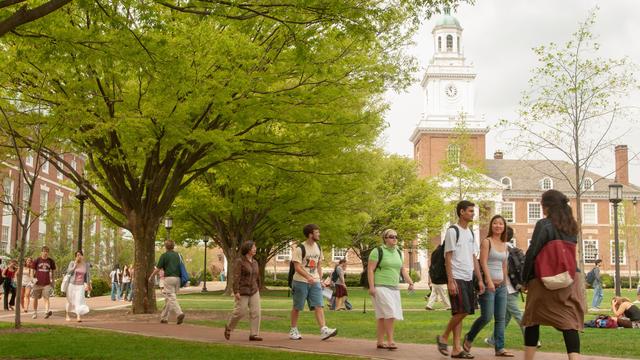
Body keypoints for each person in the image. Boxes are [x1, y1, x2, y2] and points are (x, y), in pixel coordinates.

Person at [522, 190, 584, 360]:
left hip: (543, 278)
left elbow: (533, 251)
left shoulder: (544, 224)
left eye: (542, 205)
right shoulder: (572, 226)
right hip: (569, 279)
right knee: (568, 321)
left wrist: (524, 279)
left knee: (532, 320)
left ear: (547, 206)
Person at [436, 200, 484, 359]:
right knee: (463, 310)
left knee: (461, 311)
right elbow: (447, 257)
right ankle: (443, 337)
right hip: (456, 277)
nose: (473, 213)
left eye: (473, 211)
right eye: (470, 211)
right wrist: (450, 280)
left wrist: (480, 279)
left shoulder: (470, 232)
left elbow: (473, 257)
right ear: (462, 212)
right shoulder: (452, 231)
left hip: (468, 277)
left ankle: (456, 349)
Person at [463, 215, 513, 357]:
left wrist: (505, 281)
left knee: (501, 318)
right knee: (486, 317)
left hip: (501, 287)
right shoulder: (487, 242)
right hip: (488, 285)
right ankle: (469, 337)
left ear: (504, 227)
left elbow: (504, 264)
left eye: (501, 224)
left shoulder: (505, 244)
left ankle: (500, 348)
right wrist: (489, 281)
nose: (498, 226)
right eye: (495, 223)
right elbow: (483, 262)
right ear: (491, 226)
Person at [485, 227, 541, 348]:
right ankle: (493, 339)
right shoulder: (515, 250)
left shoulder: (502, 249)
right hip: (515, 287)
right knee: (506, 317)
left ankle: (533, 340)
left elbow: (503, 269)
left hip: (506, 288)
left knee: (517, 314)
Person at [289, 224, 337, 341]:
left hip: (315, 281)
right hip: (300, 281)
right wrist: (307, 276)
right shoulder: (300, 248)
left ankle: (323, 330)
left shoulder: (318, 247)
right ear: (310, 234)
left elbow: (318, 265)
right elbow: (297, 267)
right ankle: (293, 330)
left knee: (319, 304)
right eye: (317, 232)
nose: (319, 234)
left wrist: (319, 280)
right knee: (297, 306)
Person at [368, 229, 415, 350]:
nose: (394, 239)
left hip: (394, 288)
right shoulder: (377, 251)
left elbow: (402, 269)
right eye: (391, 236)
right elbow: (370, 270)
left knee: (382, 316)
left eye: (396, 237)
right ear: (385, 238)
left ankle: (380, 342)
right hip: (380, 287)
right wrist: (372, 287)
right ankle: (390, 341)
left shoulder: (399, 252)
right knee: (390, 313)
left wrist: (410, 282)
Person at [224, 241, 262, 341]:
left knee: (256, 312)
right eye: (253, 247)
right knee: (240, 312)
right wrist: (236, 291)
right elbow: (236, 277)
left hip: (254, 290)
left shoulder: (255, 262)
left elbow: (257, 277)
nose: (255, 249)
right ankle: (229, 327)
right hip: (242, 290)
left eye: (255, 247)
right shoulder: (240, 261)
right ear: (248, 249)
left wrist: (259, 287)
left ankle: (254, 334)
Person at [149, 240, 185, 325]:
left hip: (169, 278)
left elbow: (158, 269)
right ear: (173, 246)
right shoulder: (179, 255)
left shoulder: (164, 256)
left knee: (171, 297)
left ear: (165, 247)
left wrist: (151, 277)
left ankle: (179, 313)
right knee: (169, 298)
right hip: (178, 279)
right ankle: (164, 318)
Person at [64, 251, 92, 322]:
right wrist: (75, 265)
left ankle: (78, 316)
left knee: (79, 301)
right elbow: (68, 272)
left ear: (82, 256)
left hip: (80, 286)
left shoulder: (86, 265)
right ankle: (67, 315)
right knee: (70, 301)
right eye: (77, 255)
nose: (79, 256)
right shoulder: (72, 263)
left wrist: (88, 285)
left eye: (80, 255)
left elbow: (88, 276)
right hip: (71, 285)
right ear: (75, 257)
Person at [31, 246, 56, 319]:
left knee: (46, 298)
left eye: (47, 251)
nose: (45, 253)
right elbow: (33, 270)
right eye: (44, 251)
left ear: (48, 253)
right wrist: (33, 279)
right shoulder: (37, 260)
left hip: (46, 283)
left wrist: (53, 281)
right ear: (41, 252)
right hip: (37, 283)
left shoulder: (51, 261)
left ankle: (46, 312)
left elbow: (53, 271)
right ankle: (35, 313)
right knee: (35, 298)